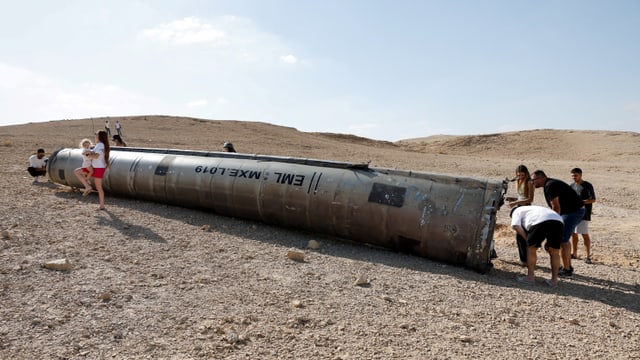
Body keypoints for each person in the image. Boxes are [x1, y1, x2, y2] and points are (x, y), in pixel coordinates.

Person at [530, 170, 585, 277]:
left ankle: (567, 270)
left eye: (533, 180)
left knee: (562, 240)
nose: (532, 183)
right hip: (571, 211)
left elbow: (556, 207)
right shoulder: (549, 184)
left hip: (573, 212)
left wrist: (554, 225)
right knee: (562, 240)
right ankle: (566, 265)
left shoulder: (550, 186)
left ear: (542, 178)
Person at [511, 205, 564, 287]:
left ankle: (530, 278)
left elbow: (516, 226)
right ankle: (554, 281)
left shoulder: (516, 211)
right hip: (558, 220)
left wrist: (527, 240)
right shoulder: (531, 209)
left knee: (531, 249)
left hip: (540, 221)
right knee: (554, 252)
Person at [505, 164, 535, 264]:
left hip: (525, 209)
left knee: (523, 235)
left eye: (523, 175)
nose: (521, 177)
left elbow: (530, 199)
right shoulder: (519, 181)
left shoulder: (529, 182)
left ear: (526, 173)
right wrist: (513, 199)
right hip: (519, 208)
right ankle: (523, 259)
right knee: (519, 236)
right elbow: (521, 197)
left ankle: (527, 260)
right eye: (519, 175)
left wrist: (515, 203)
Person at [74, 130, 110, 210]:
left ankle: (102, 205)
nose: (95, 136)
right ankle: (87, 186)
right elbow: (94, 153)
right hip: (94, 167)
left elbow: (96, 156)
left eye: (96, 135)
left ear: (99, 137)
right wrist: (89, 152)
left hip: (98, 168)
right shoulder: (98, 145)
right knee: (77, 172)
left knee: (99, 187)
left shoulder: (100, 145)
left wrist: (87, 155)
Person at [570, 168, 596, 264]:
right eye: (572, 176)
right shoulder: (571, 186)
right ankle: (574, 253)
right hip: (572, 213)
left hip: (584, 213)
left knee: (584, 234)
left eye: (575, 175)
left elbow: (592, 199)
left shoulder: (587, 185)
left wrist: (580, 202)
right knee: (573, 234)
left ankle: (588, 256)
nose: (574, 177)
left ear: (580, 175)